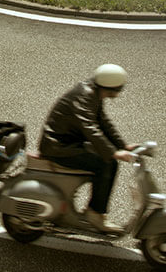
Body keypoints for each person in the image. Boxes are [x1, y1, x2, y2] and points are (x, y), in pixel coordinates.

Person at [38, 63, 138, 233]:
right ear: (112, 87)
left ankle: (95, 211)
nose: (118, 92)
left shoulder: (93, 93)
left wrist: (123, 146)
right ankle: (95, 214)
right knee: (104, 164)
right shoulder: (85, 96)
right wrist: (113, 152)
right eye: (118, 89)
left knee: (110, 162)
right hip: (58, 147)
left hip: (67, 143)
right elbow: (89, 127)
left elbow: (103, 123)